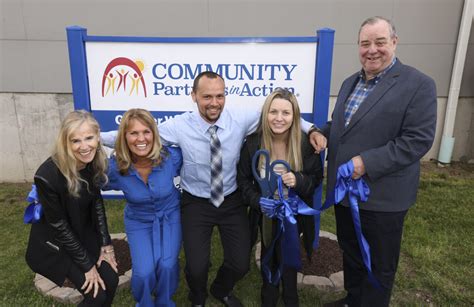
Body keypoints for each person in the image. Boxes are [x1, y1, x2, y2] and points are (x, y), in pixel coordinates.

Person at [101, 71, 317, 306]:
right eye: (207, 97)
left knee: (240, 263)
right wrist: (92, 138)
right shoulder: (179, 125)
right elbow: (129, 135)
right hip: (196, 202)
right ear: (193, 96)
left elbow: (281, 116)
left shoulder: (240, 119)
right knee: (196, 267)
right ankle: (198, 297)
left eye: (219, 96)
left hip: (231, 199)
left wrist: (313, 129)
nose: (214, 103)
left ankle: (220, 289)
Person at [310, 16, 437, 307]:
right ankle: (354, 299)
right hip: (345, 195)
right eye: (365, 43)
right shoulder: (350, 82)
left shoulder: (419, 85)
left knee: (378, 264)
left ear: (394, 42)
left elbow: (417, 140)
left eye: (380, 42)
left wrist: (366, 162)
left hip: (382, 198)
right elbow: (343, 124)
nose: (372, 50)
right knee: (352, 254)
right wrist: (322, 133)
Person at [237, 88, 323, 307]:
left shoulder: (305, 144)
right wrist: (257, 201)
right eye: (273, 112)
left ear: (295, 116)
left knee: (290, 257)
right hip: (266, 213)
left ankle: (291, 297)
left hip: (293, 214)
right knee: (269, 252)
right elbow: (244, 181)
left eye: (285, 113)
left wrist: (299, 180)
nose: (279, 118)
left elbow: (315, 179)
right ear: (265, 114)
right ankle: (269, 295)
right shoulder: (253, 143)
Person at [25, 110, 118, 306]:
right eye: (76, 141)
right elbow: (59, 226)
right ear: (66, 142)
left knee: (111, 280)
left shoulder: (93, 161)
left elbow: (96, 203)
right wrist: (87, 266)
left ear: (98, 137)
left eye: (89, 138)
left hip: (83, 233)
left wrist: (105, 244)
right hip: (57, 244)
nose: (84, 146)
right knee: (96, 295)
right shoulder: (46, 176)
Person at [102, 108, 182, 306]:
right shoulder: (114, 167)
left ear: (154, 135)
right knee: (144, 272)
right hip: (139, 221)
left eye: (146, 132)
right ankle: (144, 302)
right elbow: (88, 183)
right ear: (124, 137)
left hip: (170, 216)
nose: (141, 138)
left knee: (167, 265)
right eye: (134, 133)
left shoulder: (171, 157)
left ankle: (164, 301)